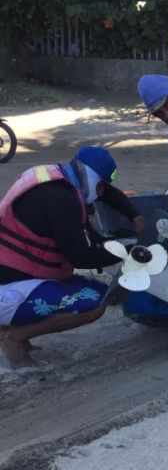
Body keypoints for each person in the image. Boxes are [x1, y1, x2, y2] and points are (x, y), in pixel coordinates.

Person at [0, 147, 144, 368]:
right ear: (92, 178)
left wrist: (135, 216)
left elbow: (108, 192)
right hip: (8, 289)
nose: (102, 191)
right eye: (101, 184)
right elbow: (82, 258)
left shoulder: (56, 177)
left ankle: (11, 330)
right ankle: (15, 337)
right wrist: (128, 250)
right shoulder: (62, 199)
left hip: (12, 274)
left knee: (84, 286)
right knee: (96, 302)